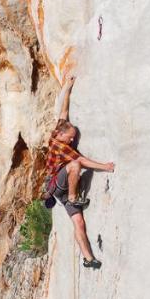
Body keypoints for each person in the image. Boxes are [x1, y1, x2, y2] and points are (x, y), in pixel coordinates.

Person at [45, 74, 115, 269]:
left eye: (73, 138)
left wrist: (67, 87)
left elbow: (63, 112)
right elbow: (81, 161)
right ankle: (75, 197)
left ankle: (88, 258)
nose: (71, 141)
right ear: (61, 135)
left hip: (62, 188)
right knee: (75, 164)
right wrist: (105, 167)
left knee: (79, 223)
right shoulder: (60, 146)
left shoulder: (57, 132)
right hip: (60, 186)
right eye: (70, 138)